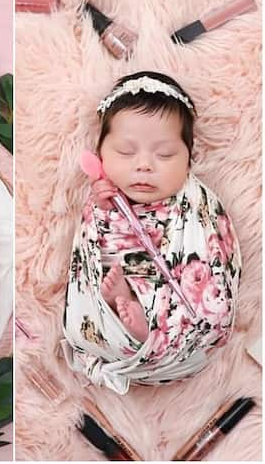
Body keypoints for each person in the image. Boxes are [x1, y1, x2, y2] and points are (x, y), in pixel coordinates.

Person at [62, 71, 241, 394]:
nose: (144, 165)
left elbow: (214, 249)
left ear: (190, 158)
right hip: (126, 271)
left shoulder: (194, 200)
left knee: (198, 282)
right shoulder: (104, 200)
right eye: (126, 153)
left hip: (180, 287)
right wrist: (104, 210)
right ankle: (127, 310)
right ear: (100, 155)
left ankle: (151, 326)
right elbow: (92, 253)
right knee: (114, 267)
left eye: (165, 155)